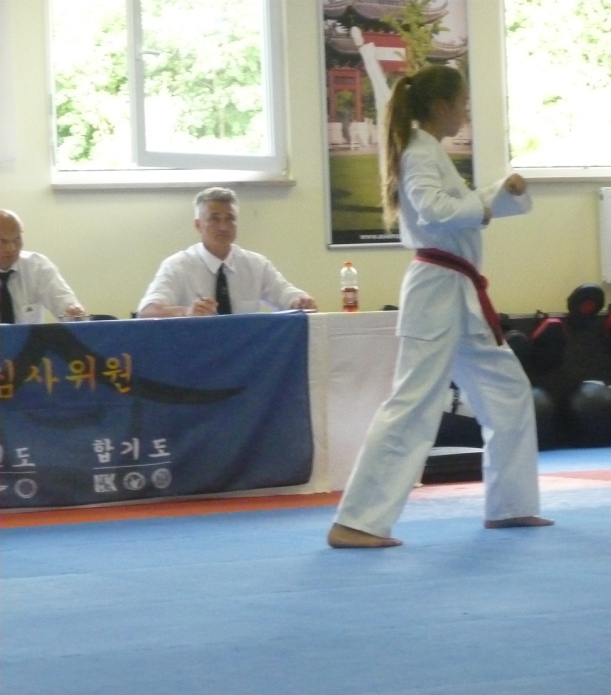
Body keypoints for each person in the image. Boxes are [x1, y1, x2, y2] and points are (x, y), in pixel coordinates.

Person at [327, 65, 553, 548]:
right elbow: (434, 210)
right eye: (462, 103)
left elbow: (456, 206)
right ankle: (357, 521)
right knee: (413, 404)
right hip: (436, 292)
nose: (465, 112)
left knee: (509, 391)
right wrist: (481, 207)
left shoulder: (428, 151)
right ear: (440, 106)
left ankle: (511, 506)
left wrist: (498, 195)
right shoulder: (418, 153)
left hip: (457, 293)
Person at [136, 187, 318, 318]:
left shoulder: (256, 265)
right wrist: (185, 312)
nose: (223, 227)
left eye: (230, 219)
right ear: (198, 225)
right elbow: (146, 312)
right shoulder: (178, 266)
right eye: (214, 219)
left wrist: (300, 302)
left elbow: (287, 295)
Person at [0, 209, 87, 323]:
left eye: (17, 239)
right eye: (2, 241)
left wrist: (73, 311)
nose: (11, 248)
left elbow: (64, 302)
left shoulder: (37, 266)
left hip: (29, 336)